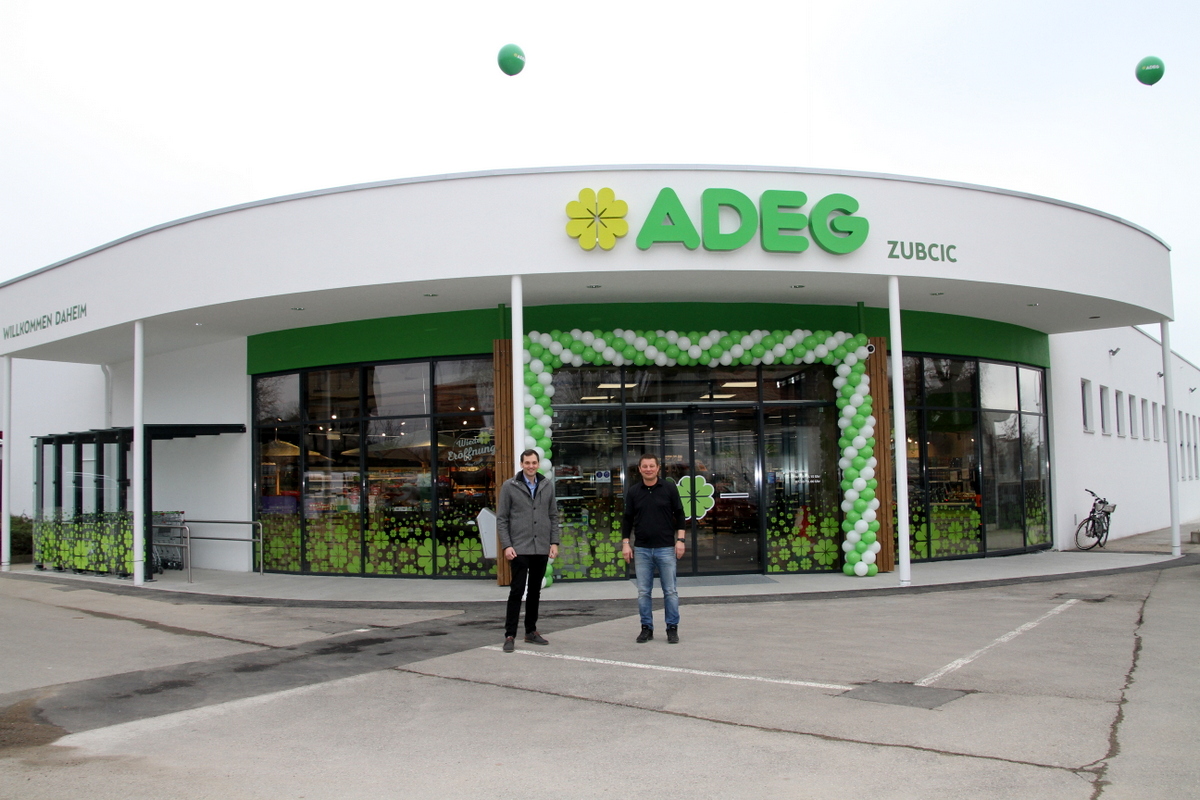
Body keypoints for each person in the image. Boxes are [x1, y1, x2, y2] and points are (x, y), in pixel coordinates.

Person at [497, 449, 560, 653]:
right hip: (519, 548)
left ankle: (531, 631)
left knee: (534, 592)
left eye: (534, 462)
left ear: (538, 464)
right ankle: (510, 635)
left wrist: (554, 542)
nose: (531, 466)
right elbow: (502, 518)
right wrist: (507, 545)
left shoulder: (546, 485)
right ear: (521, 464)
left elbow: (553, 516)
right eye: (527, 463)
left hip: (541, 547)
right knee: (517, 591)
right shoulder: (509, 486)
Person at [621, 453, 686, 644]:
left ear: (658, 468)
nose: (648, 469)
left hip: (666, 548)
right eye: (645, 466)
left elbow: (680, 514)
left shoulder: (669, 488)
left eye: (651, 466)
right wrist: (626, 543)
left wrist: (680, 540)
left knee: (670, 591)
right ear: (639, 469)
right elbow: (627, 519)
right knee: (643, 592)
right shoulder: (634, 491)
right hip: (642, 549)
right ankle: (646, 628)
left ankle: (672, 628)